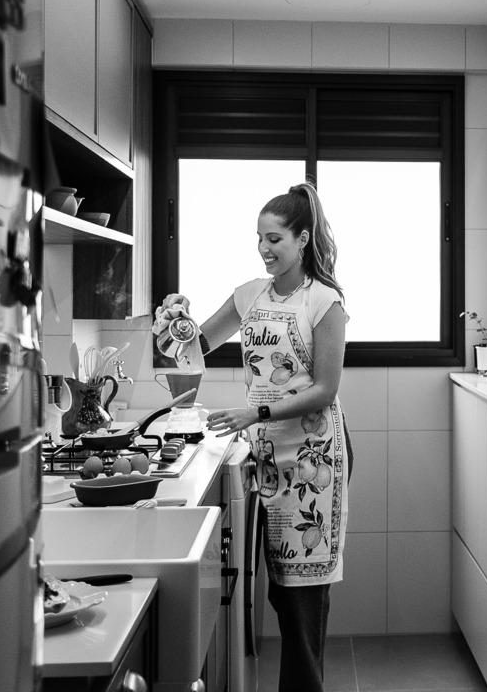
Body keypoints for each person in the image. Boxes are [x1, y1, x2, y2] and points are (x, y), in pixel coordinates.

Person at [153, 182, 351, 692]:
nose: (264, 248)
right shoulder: (250, 295)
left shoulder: (324, 301)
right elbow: (194, 347)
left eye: (274, 239)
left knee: (302, 598)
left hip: (313, 458)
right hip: (266, 454)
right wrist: (174, 322)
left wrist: (253, 412)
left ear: (302, 239)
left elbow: (325, 390)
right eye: (259, 238)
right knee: (279, 591)